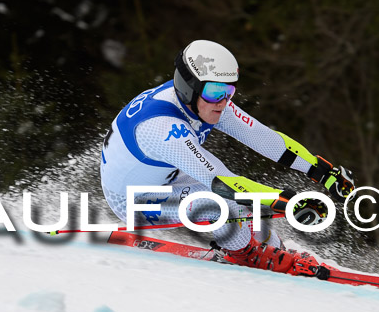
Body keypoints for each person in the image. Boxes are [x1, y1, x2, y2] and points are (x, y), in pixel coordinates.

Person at [100, 40, 354, 276]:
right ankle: (246, 254)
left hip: (167, 178)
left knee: (247, 200)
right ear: (190, 87)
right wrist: (286, 202)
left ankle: (274, 249)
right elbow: (222, 182)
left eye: (228, 90)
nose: (223, 101)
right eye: (214, 91)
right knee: (227, 201)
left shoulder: (203, 100)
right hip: (133, 201)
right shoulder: (161, 126)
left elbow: (264, 138)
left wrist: (321, 170)